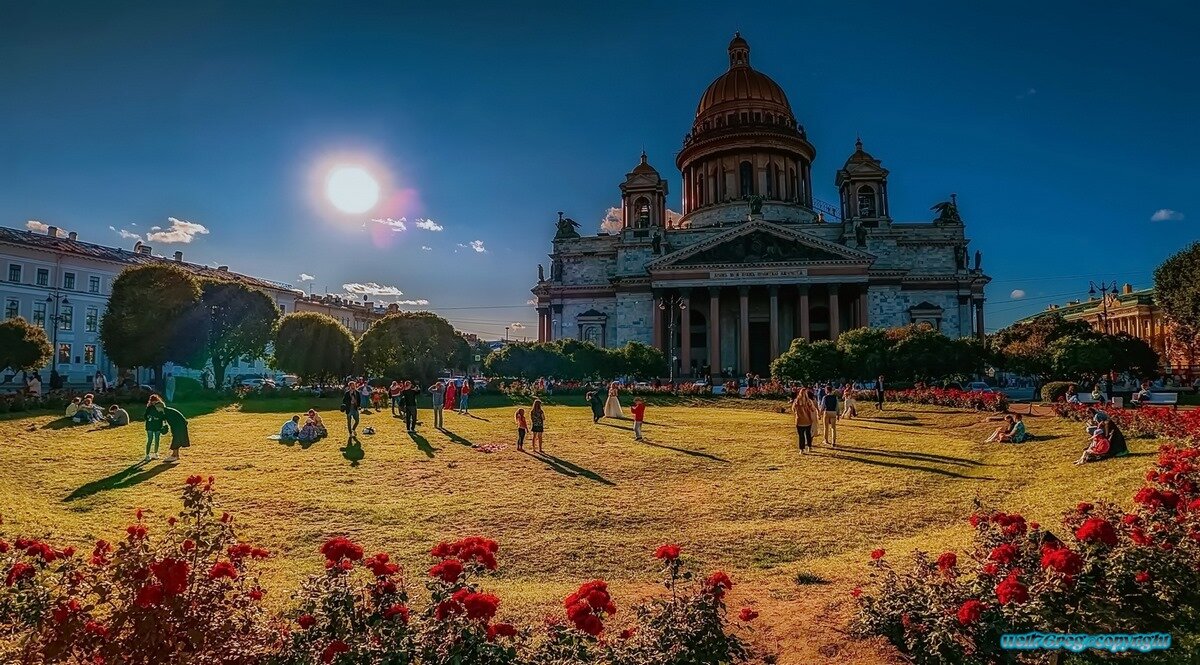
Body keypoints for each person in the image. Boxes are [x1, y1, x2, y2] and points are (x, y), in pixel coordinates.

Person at [791, 388, 818, 453]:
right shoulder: (809, 401)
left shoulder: (796, 401)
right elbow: (813, 409)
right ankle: (809, 447)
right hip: (808, 420)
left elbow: (793, 409)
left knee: (801, 436)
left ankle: (801, 449)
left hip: (799, 420)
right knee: (808, 434)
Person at [144, 395, 166, 462]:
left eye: (154, 401)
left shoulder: (160, 406)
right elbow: (145, 416)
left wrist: (159, 418)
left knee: (157, 440)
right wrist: (149, 417)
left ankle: (156, 453)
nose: (153, 403)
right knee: (150, 440)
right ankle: (147, 455)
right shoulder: (149, 408)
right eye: (152, 401)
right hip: (150, 426)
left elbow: (163, 416)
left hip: (158, 425)